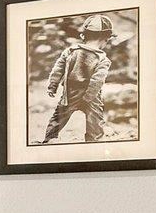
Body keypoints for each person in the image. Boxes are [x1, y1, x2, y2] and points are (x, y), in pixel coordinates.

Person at [40, 14, 116, 143]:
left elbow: (58, 69)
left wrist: (53, 85)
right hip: (91, 97)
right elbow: (97, 81)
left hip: (70, 93)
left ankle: (49, 139)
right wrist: (87, 98)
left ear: (83, 36)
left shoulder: (70, 51)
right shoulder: (103, 59)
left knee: (59, 117)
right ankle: (94, 142)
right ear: (105, 39)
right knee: (95, 121)